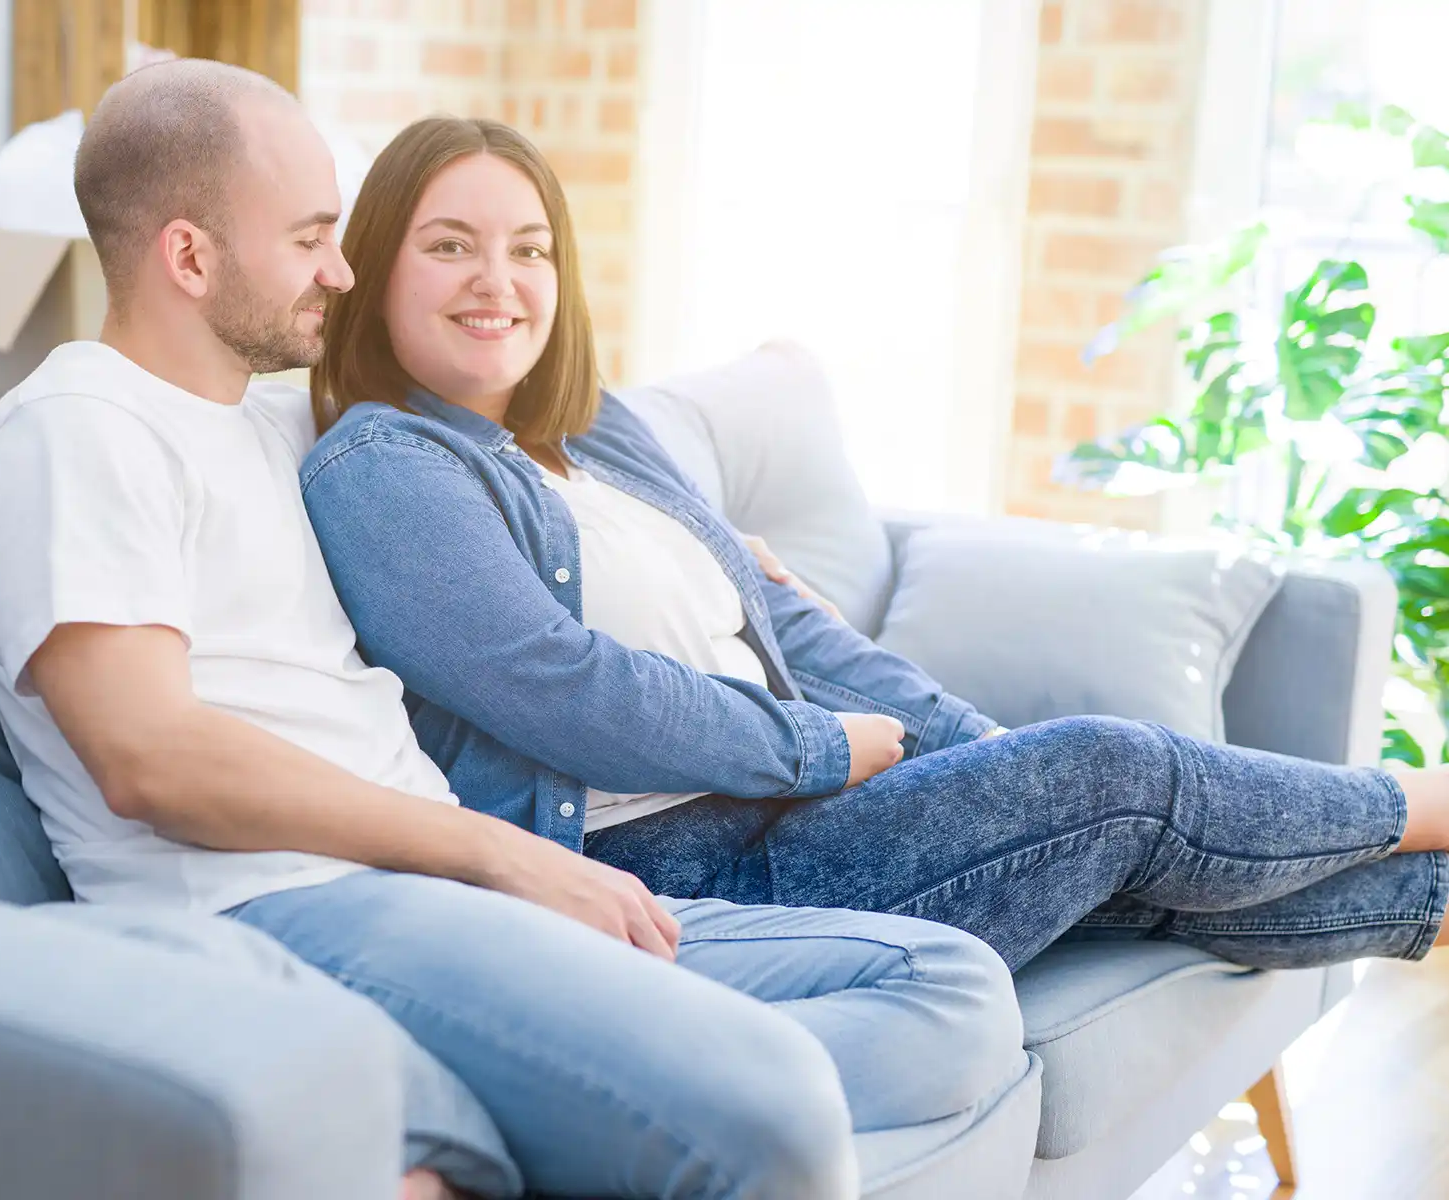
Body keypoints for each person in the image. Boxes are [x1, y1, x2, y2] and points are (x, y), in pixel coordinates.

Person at [0, 61, 1030, 1200]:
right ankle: (606, 1106)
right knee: (778, 1110)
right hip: (289, 906)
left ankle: (572, 1110)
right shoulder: (77, 431)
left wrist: (693, 542)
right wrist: (504, 855)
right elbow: (150, 757)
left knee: (951, 993)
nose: (342, 271)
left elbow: (496, 468)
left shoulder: (266, 423)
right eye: (311, 238)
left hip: (441, 897)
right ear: (191, 257)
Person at [300, 113, 1449, 984]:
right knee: (1116, 768)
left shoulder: (591, 428)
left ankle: (1432, 890)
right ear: (376, 268)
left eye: (530, 250)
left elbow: (776, 612)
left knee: (1125, 836)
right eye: (450, 246)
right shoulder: (384, 467)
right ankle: (1418, 800)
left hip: (791, 820)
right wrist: (816, 748)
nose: (499, 283)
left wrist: (980, 750)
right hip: (673, 871)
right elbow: (558, 687)